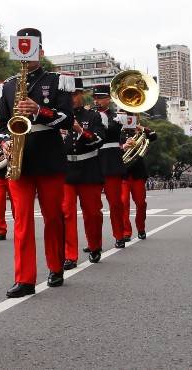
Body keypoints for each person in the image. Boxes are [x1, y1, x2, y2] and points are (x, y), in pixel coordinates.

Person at [0, 28, 74, 298]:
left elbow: (66, 119)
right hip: (19, 157)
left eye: (31, 50)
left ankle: (55, 266)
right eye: (21, 50)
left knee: (53, 216)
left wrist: (39, 110)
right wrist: (4, 141)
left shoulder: (58, 81)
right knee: (22, 220)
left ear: (40, 51)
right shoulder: (6, 86)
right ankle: (24, 278)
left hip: (49, 155)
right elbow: (1, 125)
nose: (26, 55)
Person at [61, 79, 105, 269]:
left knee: (92, 213)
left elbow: (98, 141)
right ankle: (70, 255)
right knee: (66, 214)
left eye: (75, 94)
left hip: (89, 169)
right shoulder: (59, 117)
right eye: (69, 95)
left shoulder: (94, 116)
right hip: (66, 170)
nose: (72, 98)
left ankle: (95, 246)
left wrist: (80, 130)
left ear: (81, 94)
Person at [92, 85, 126, 248]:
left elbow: (113, 131)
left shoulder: (117, 117)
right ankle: (94, 241)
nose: (97, 101)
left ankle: (119, 235)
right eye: (95, 98)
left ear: (108, 99)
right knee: (93, 206)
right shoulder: (90, 115)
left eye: (100, 98)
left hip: (111, 161)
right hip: (93, 161)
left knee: (115, 203)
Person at [120, 122, 158, 241]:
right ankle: (126, 232)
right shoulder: (117, 131)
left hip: (138, 173)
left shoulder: (140, 132)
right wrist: (124, 146)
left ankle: (141, 228)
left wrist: (141, 127)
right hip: (123, 173)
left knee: (141, 203)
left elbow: (153, 135)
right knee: (123, 203)